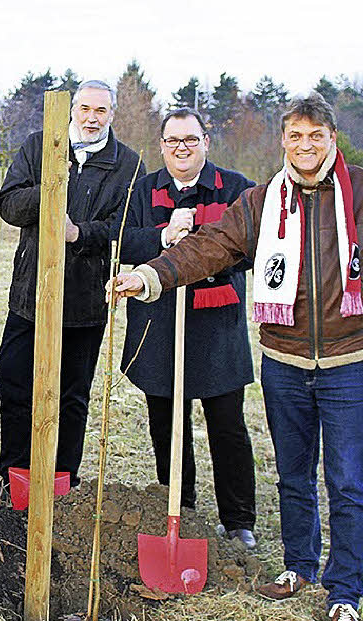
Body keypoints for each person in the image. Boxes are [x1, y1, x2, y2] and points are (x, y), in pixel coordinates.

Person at [111, 93, 363, 621]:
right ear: (284, 140)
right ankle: (299, 567)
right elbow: (210, 247)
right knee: (292, 473)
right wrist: (150, 277)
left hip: (350, 358)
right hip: (283, 358)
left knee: (348, 479)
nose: (305, 146)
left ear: (332, 139)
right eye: (295, 136)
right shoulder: (265, 201)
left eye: (316, 136)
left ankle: (346, 588)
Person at [0, 79, 142, 504]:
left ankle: (61, 485)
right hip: (30, 296)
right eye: (84, 109)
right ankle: (14, 482)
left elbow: (124, 228)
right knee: (14, 384)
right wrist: (48, 187)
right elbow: (8, 204)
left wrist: (77, 233)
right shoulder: (39, 146)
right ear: (72, 110)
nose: (90, 118)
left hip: (84, 302)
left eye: (100, 111)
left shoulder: (128, 164)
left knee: (70, 396)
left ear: (112, 115)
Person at [120, 108, 258, 549]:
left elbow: (254, 248)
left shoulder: (237, 190)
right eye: (173, 141)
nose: (182, 148)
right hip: (159, 326)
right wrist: (163, 238)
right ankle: (182, 508)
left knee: (227, 426)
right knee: (167, 424)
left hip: (217, 325)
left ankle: (238, 520)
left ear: (206, 142)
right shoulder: (142, 191)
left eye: (191, 140)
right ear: (161, 147)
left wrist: (203, 251)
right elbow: (123, 242)